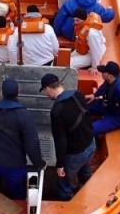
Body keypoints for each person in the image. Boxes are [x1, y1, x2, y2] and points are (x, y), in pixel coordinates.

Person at [39, 73, 96, 201]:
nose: (46, 95)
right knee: (86, 170)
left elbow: (61, 141)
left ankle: (65, 198)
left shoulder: (57, 111)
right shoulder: (78, 95)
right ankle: (87, 185)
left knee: (63, 181)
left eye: (44, 91)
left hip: (76, 153)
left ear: (48, 88)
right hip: (91, 144)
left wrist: (60, 165)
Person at [0, 79, 44, 199]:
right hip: (13, 164)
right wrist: (38, 163)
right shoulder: (23, 115)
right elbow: (32, 143)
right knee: (17, 192)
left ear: (2, 93)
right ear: (18, 92)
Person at [70, 8, 106, 74]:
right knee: (65, 59)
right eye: (74, 20)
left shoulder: (92, 34)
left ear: (83, 19)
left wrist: (95, 67)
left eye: (77, 20)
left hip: (90, 54)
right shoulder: (83, 25)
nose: (75, 22)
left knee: (68, 64)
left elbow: (96, 51)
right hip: (83, 49)